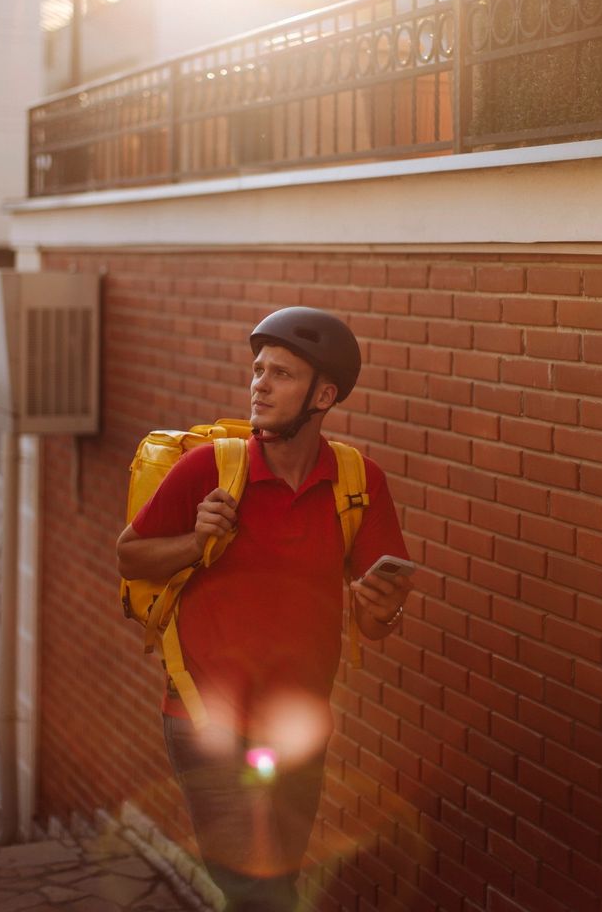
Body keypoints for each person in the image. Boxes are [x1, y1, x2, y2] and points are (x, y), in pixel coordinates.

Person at [117, 306, 412, 912]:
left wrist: (383, 609)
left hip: (297, 727)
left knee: (276, 880)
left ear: (324, 394)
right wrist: (196, 543)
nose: (260, 383)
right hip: (206, 720)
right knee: (258, 891)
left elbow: (377, 622)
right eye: (258, 370)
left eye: (280, 373)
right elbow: (131, 557)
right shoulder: (212, 468)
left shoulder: (358, 483)